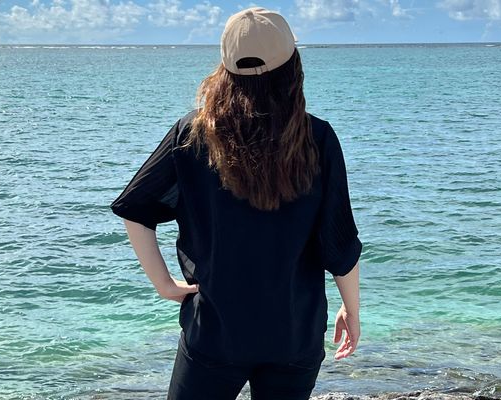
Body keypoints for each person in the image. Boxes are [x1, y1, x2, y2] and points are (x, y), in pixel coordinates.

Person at [110, 6, 362, 400]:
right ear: (293, 67)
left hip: (214, 332)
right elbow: (339, 242)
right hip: (294, 332)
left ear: (225, 68)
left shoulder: (192, 133)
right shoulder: (318, 138)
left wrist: (164, 285)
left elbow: (136, 208)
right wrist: (352, 310)